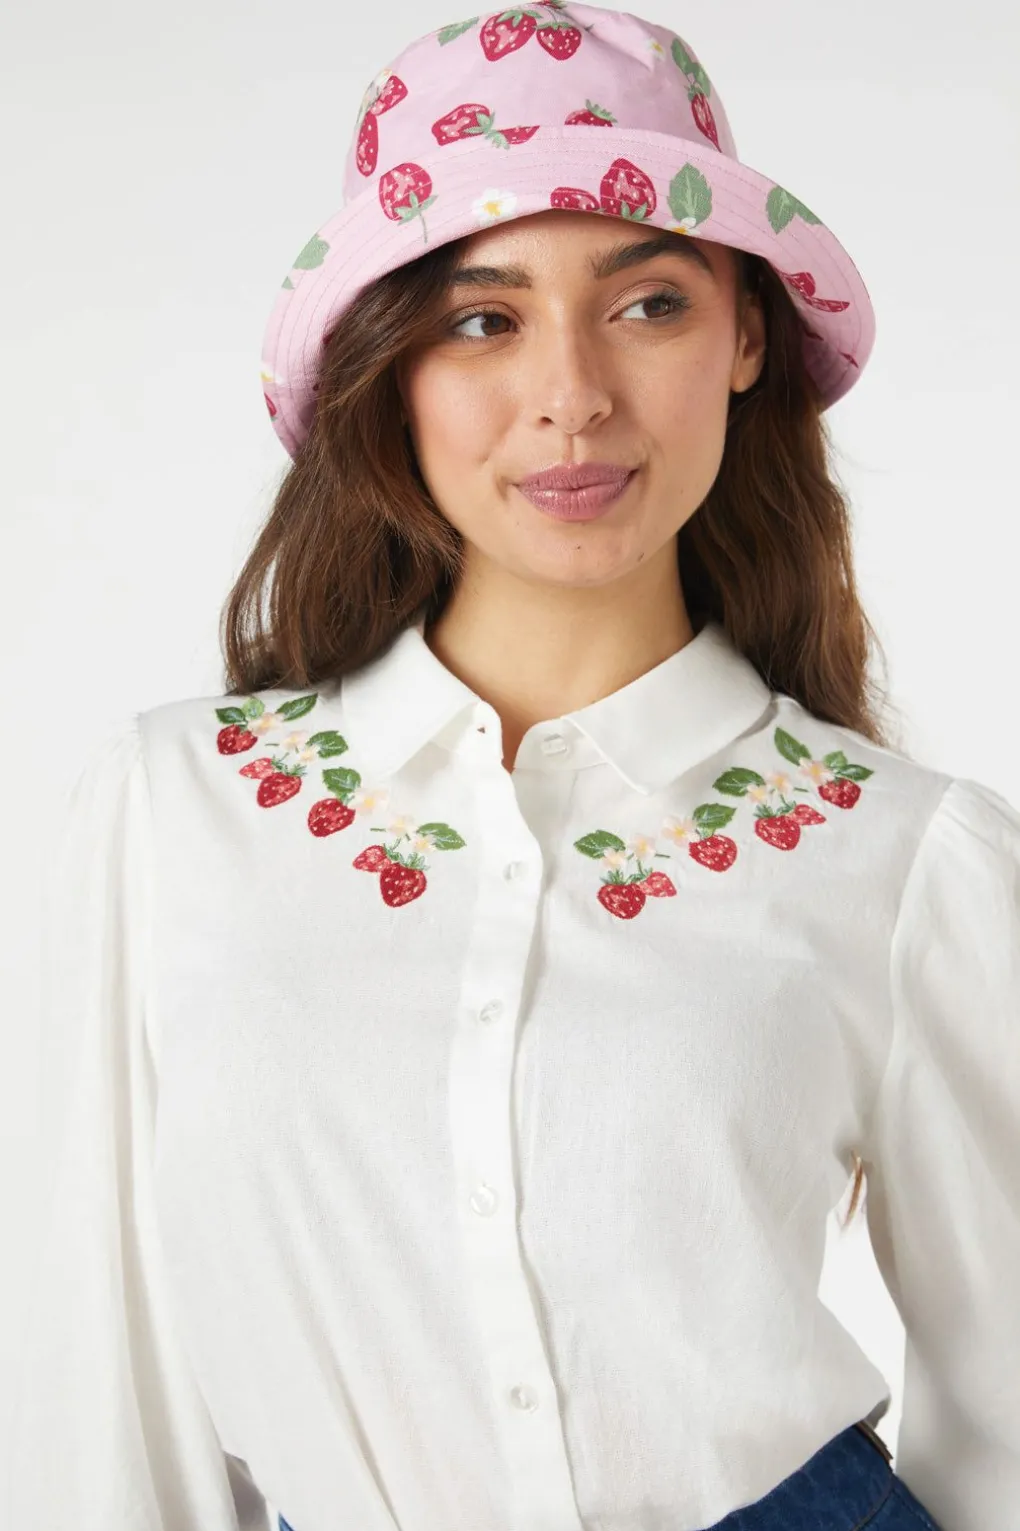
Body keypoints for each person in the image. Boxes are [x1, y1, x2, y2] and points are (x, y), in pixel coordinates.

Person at [7, 3, 1019, 1529]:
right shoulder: (175, 813)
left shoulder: (909, 855)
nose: (573, 394)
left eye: (650, 303)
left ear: (746, 336)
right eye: (482, 319)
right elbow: (105, 1393)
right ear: (388, 367)